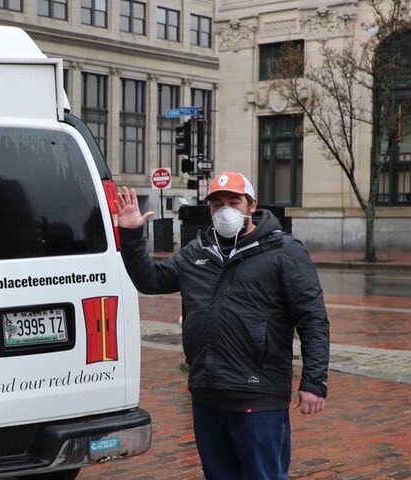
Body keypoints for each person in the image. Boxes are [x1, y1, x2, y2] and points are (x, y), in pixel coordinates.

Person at [116, 171, 329, 480]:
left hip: (258, 392)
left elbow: (313, 319)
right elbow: (151, 280)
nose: (225, 210)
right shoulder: (197, 252)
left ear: (251, 205)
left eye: (234, 201)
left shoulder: (283, 251)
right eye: (217, 203)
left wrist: (314, 382)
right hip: (207, 391)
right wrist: (133, 234)